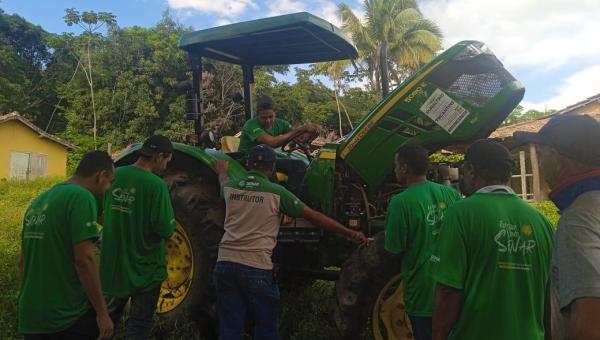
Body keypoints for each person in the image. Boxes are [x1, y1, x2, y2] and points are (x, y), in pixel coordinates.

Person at [213, 144, 368, 340]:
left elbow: (223, 183)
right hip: (256, 267)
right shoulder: (277, 192)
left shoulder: (230, 189)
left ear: (247, 164)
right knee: (266, 326)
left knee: (230, 327)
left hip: (224, 265)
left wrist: (222, 171)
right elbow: (314, 217)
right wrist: (349, 232)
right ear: (273, 167)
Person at [431, 139, 554, 340]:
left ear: (471, 169)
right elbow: (549, 296)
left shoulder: (461, 214)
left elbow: (448, 291)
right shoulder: (542, 222)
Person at [514, 114, 600, 340]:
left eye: (541, 154)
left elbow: (588, 328)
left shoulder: (579, 218)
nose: (540, 164)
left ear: (557, 159)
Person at [18, 151, 115, 340]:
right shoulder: (81, 197)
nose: (108, 188)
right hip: (66, 316)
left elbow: (22, 262)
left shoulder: (39, 201)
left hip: (31, 315)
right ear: (100, 175)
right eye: (110, 181)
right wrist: (102, 313)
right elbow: (84, 260)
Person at [100, 135, 176, 339]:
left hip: (113, 267)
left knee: (106, 321)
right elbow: (165, 229)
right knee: (139, 325)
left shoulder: (115, 175)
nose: (167, 165)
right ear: (159, 156)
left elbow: (99, 213)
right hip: (145, 270)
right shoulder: (156, 185)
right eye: (167, 160)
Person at [384, 145, 461, 340]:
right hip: (453, 286)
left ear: (404, 168)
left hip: (422, 291)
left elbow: (394, 249)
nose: (395, 170)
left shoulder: (400, 203)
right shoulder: (451, 194)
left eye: (396, 165)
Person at [238, 95, 318, 194]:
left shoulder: (281, 124)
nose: (268, 121)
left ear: (275, 113)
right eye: (263, 118)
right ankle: (279, 200)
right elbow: (272, 142)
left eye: (271, 117)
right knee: (271, 173)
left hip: (269, 159)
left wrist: (309, 134)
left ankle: (293, 197)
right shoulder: (250, 125)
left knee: (300, 166)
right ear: (257, 115)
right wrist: (300, 129)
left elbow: (298, 137)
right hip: (249, 160)